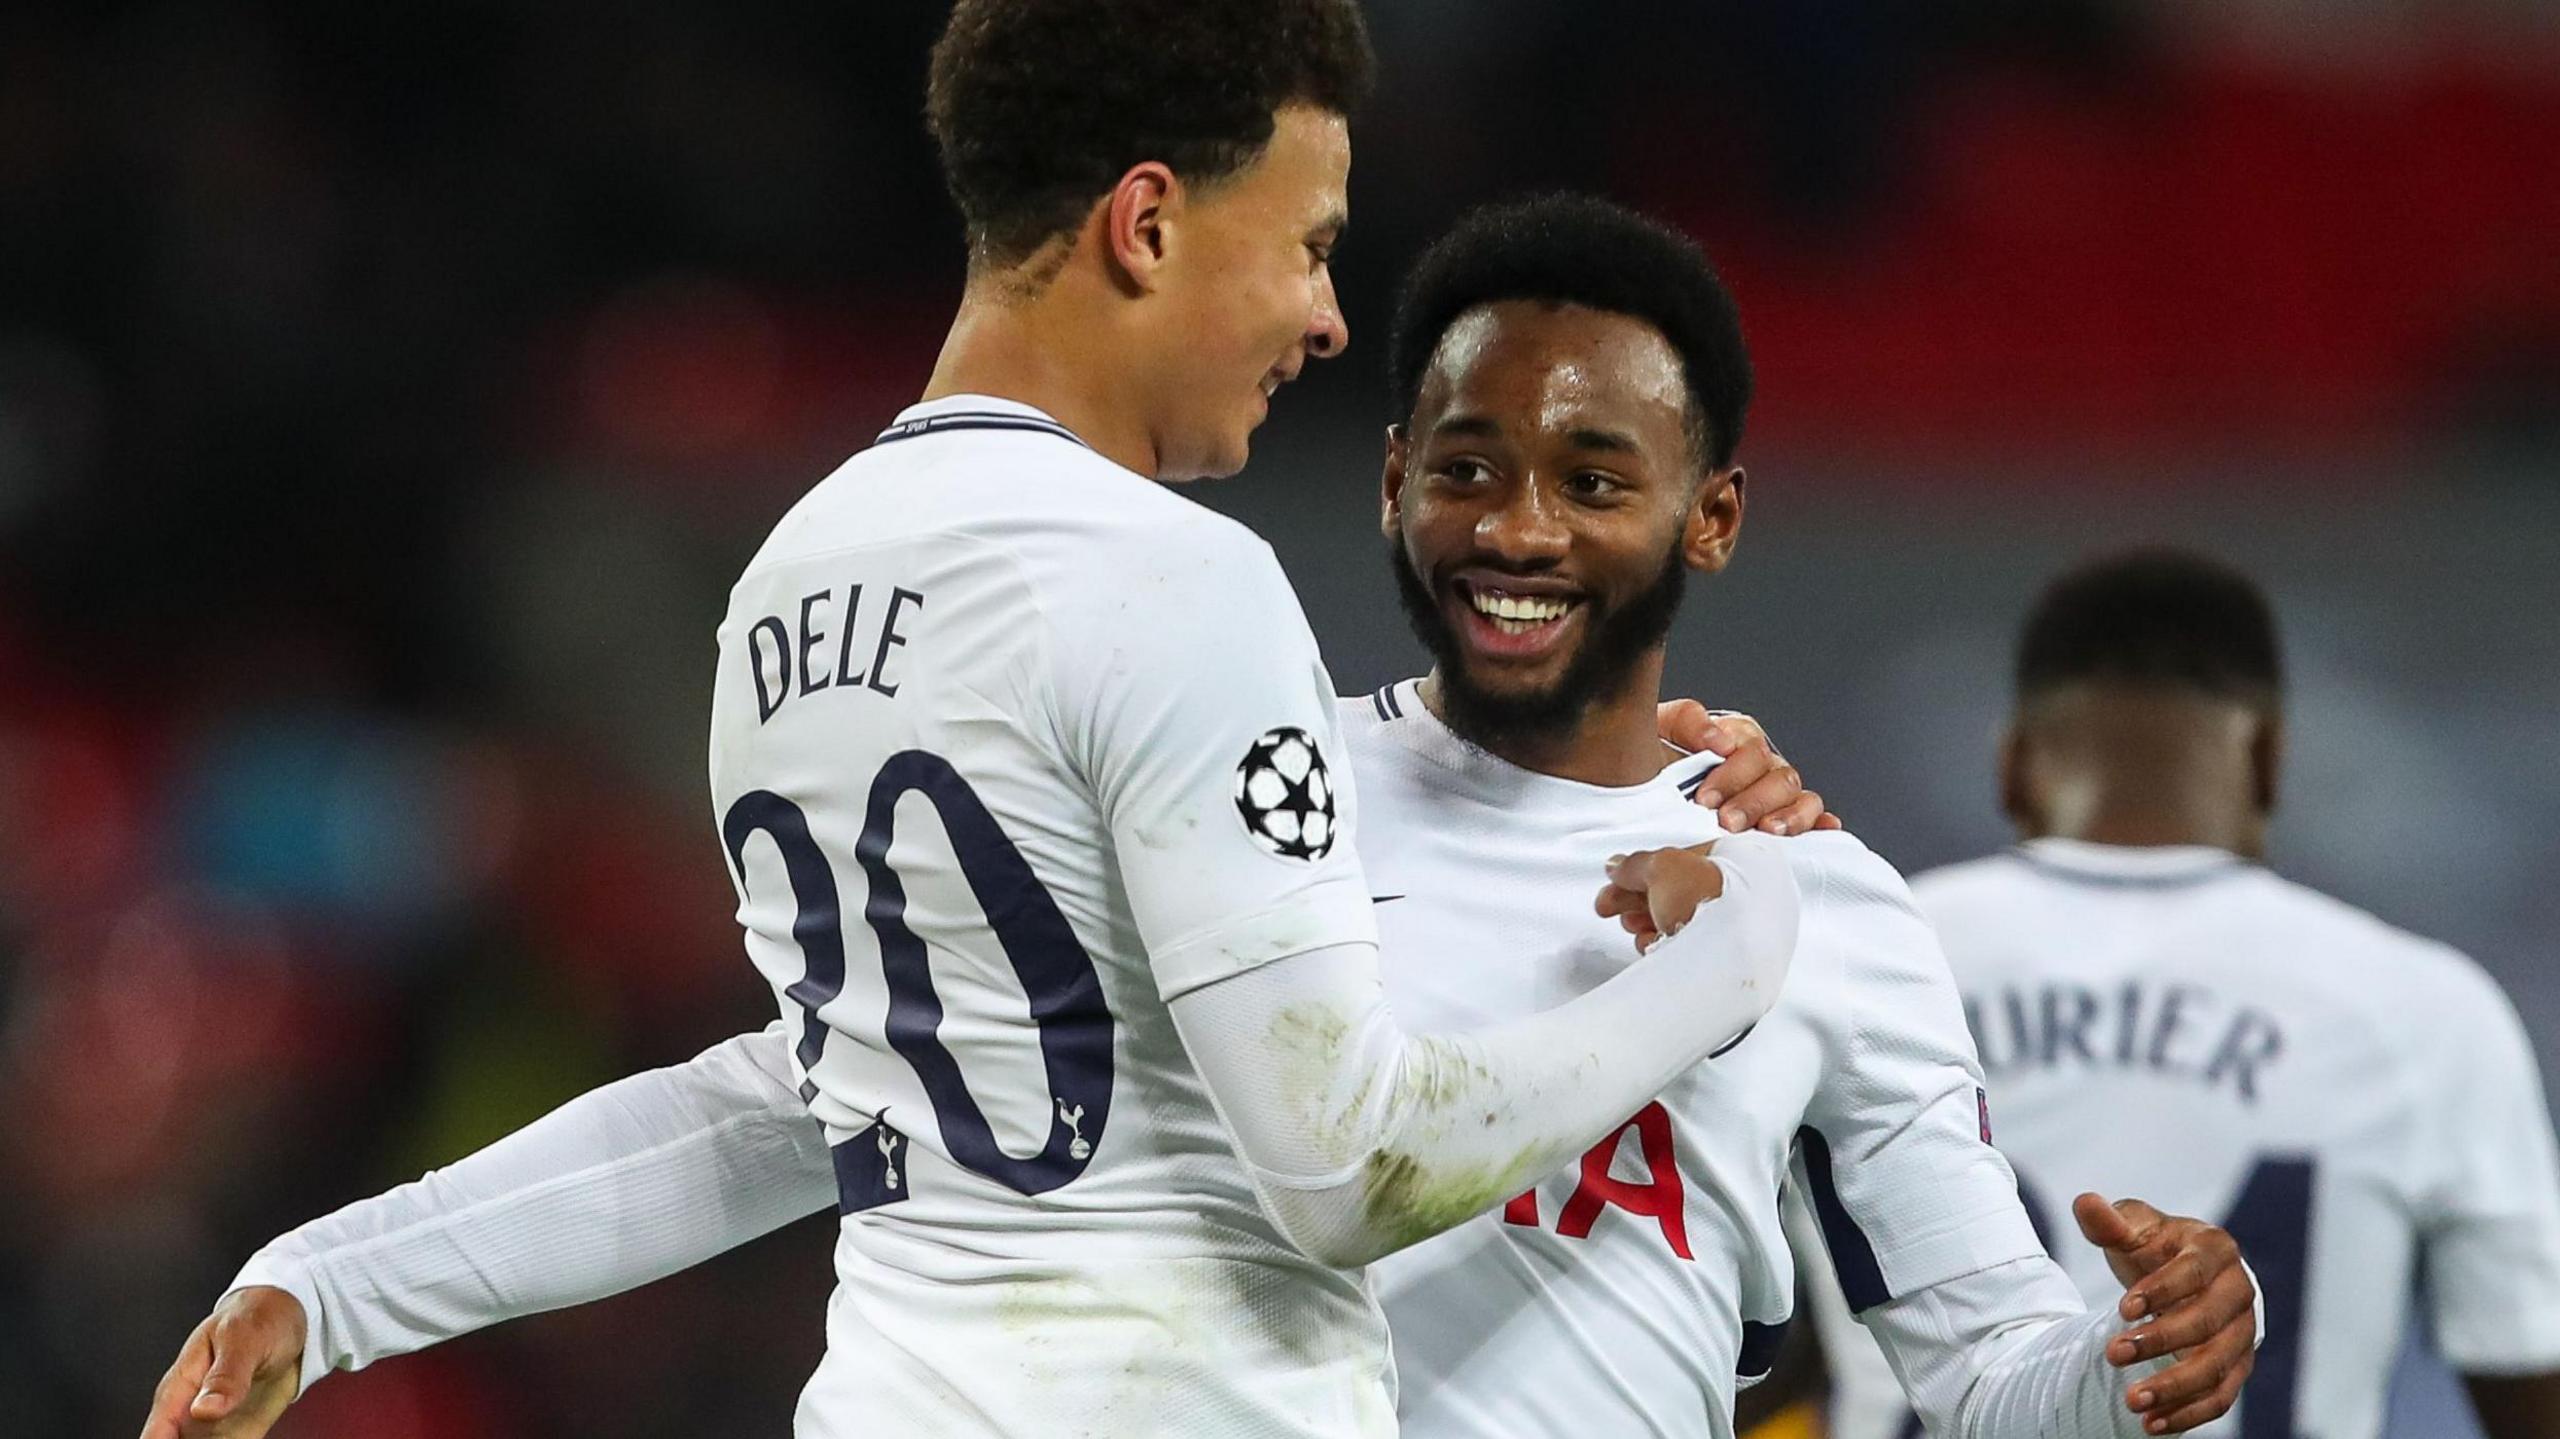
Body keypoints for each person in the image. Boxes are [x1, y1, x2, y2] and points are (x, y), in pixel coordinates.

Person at [142, 194, 2264, 1439]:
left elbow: (1977, 1355)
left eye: (1590, 479)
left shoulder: (1830, 909)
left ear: (1708, 513)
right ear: (1386, 481)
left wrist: (2141, 1356)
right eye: (1460, 462)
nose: (1512, 527)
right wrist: (342, 1278)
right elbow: (794, 1101)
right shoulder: (1235, 791)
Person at [1800, 550, 2560, 1439]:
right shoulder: (2430, 1010)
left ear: (2010, 765)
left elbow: (1745, 1330)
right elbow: (2530, 1386)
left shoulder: (1850, 958)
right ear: (2271, 761)